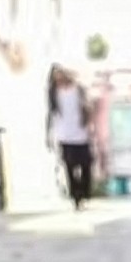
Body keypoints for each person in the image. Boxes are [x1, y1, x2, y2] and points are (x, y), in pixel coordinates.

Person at [46, 66, 93, 210]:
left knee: (86, 165)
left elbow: (88, 106)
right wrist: (49, 135)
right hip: (64, 135)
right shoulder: (53, 93)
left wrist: (89, 124)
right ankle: (76, 197)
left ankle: (84, 193)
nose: (59, 79)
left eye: (60, 75)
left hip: (81, 132)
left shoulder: (78, 88)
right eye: (56, 77)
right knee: (70, 167)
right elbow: (51, 114)